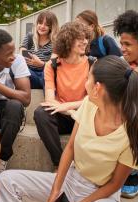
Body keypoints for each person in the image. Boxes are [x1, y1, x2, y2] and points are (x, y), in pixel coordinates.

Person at [0, 55, 138, 202]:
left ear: (98, 88)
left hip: (101, 195)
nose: (85, 83)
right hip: (71, 180)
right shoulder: (88, 105)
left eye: (88, 78)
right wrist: (56, 189)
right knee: (6, 180)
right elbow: (70, 149)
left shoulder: (133, 131)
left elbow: (115, 184)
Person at [34, 21, 91, 168]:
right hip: (63, 115)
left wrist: (70, 108)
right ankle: (60, 164)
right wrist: (68, 110)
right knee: (41, 112)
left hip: (83, 115)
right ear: (68, 40)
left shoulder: (92, 64)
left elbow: (92, 99)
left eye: (86, 38)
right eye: (80, 38)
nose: (85, 41)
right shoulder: (52, 65)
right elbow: (49, 101)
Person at [0, 29, 31, 174]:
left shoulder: (18, 61)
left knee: (15, 106)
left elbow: (26, 98)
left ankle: (0, 160)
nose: (13, 57)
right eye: (8, 54)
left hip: (6, 108)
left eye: (13, 52)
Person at [113, 9, 138, 199]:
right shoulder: (120, 62)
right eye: (121, 43)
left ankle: (135, 175)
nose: (122, 48)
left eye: (127, 44)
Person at [20, 10, 59, 89]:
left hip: (45, 73)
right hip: (29, 73)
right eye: (40, 23)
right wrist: (24, 58)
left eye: (46, 25)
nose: (42, 26)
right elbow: (21, 52)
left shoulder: (55, 42)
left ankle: (50, 100)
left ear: (52, 27)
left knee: (46, 75)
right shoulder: (30, 36)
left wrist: (41, 64)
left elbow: (53, 66)